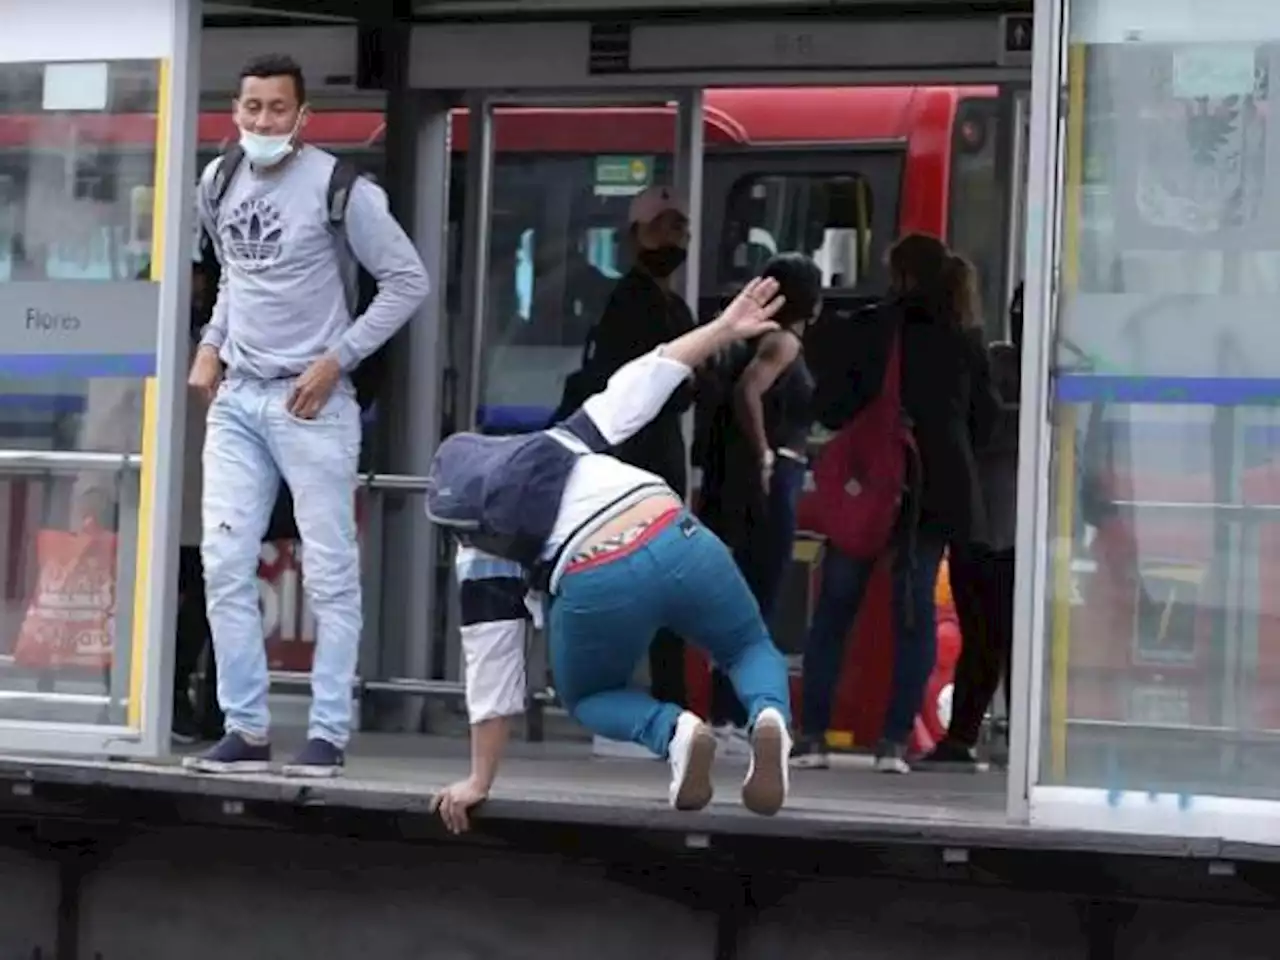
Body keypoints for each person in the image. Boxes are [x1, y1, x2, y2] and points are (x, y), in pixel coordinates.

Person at [430, 278, 794, 834]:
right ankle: (769, 717)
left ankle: (674, 733)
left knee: (593, 694)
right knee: (746, 644)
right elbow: (650, 375)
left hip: (595, 572)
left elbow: (492, 673)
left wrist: (479, 780)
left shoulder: (481, 544)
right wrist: (723, 327)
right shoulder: (558, 442)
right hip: (674, 530)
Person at [184, 54, 430, 777]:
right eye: (252, 107)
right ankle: (247, 729)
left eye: (277, 109)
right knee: (224, 563)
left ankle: (326, 734)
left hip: (312, 400)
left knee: (329, 574)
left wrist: (337, 360)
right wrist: (211, 344)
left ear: (303, 116)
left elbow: (406, 280)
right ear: (236, 110)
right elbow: (236, 271)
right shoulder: (217, 178)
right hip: (240, 399)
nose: (263, 121)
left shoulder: (340, 187)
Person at [792, 237, 997, 773]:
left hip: (870, 489)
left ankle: (812, 737)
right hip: (932, 495)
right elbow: (986, 422)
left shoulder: (870, 329)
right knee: (915, 618)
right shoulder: (964, 339)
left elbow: (831, 408)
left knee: (836, 611)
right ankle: (893, 743)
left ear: (898, 273)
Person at [585, 185, 699, 722]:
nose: (672, 239)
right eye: (661, 228)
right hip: (633, 460)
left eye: (679, 228)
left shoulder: (671, 303)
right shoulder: (630, 303)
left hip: (660, 458)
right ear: (634, 237)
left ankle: (668, 699)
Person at [700, 253, 822, 749]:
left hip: (743, 483)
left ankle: (726, 710)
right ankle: (734, 714)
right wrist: (767, 454)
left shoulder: (745, 339)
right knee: (761, 599)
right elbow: (750, 391)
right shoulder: (784, 341)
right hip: (777, 476)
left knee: (742, 597)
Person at [918, 280, 1022, 770]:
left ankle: (997, 740)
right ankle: (964, 738)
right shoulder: (992, 361)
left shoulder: (1015, 367)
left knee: (1003, 639)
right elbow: (977, 427)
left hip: (1009, 524)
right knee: (986, 636)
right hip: (987, 521)